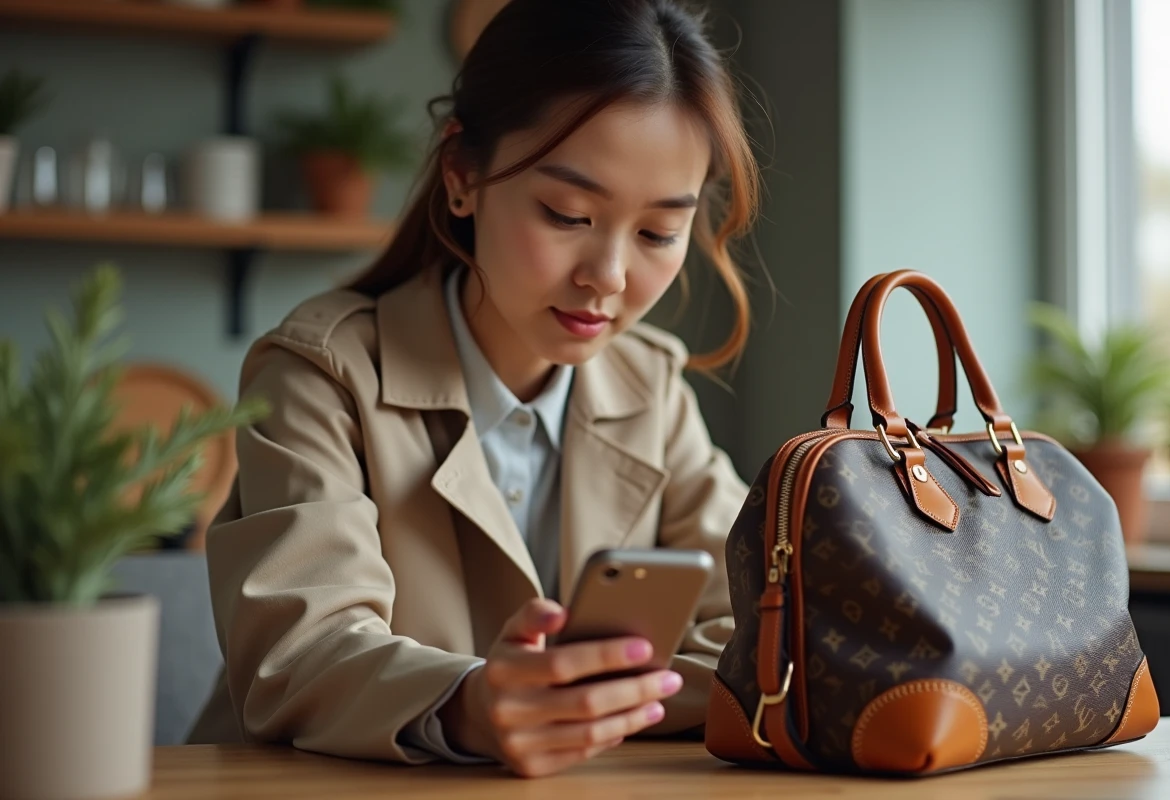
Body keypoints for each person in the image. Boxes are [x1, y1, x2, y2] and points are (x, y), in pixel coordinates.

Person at [188, 0, 761, 778]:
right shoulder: (321, 373)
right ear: (463, 176)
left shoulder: (650, 384)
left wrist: (572, 701)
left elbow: (760, 628)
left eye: (659, 233)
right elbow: (299, 654)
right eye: (567, 214)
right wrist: (471, 703)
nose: (610, 277)